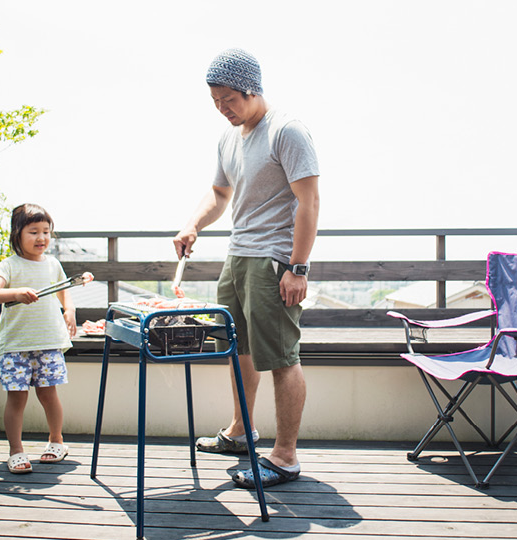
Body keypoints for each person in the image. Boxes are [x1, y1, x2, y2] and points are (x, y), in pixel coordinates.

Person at [173, 48, 320, 488]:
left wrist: (298, 268)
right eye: (216, 102)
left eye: (229, 100)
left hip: (273, 261)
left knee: (280, 357)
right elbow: (220, 194)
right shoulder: (229, 137)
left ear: (251, 88)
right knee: (238, 350)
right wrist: (193, 225)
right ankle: (241, 431)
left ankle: (285, 456)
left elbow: (310, 202)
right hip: (236, 257)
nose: (223, 110)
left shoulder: (286, 131)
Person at [0, 203, 77, 474]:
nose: (41, 238)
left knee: (49, 395)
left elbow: (65, 291)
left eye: (46, 232)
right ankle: (16, 451)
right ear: (17, 234)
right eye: (33, 231)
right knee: (16, 399)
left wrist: (69, 310)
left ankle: (56, 442)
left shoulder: (53, 264)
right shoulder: (9, 265)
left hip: (47, 343)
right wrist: (16, 293)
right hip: (15, 346)